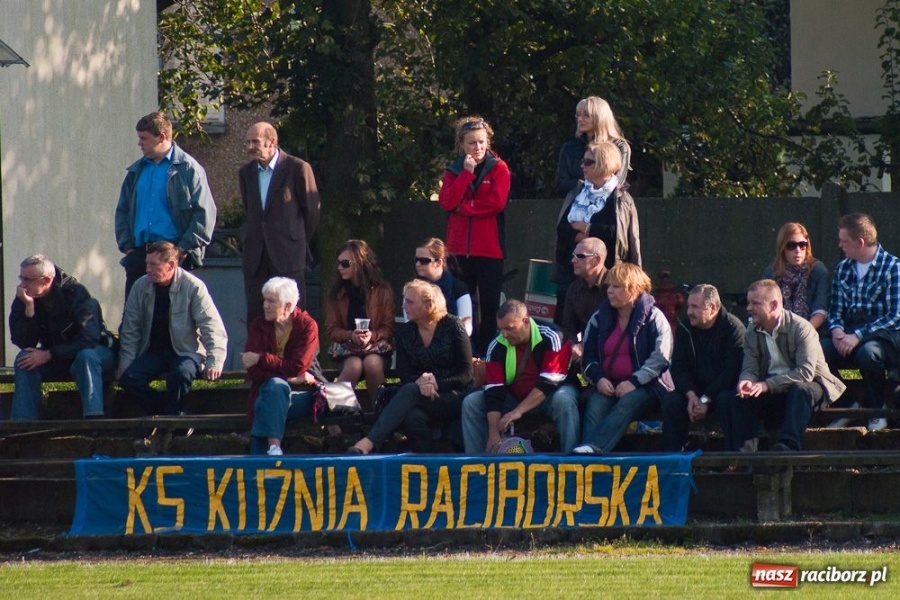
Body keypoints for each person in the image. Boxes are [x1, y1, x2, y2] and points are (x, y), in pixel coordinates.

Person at [718, 280, 846, 452]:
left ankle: (788, 447)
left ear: (774, 305)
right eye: (748, 302)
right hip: (774, 391)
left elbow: (805, 373)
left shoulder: (802, 328)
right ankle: (743, 457)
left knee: (800, 390)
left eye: (755, 303)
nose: (748, 308)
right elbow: (750, 368)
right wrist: (746, 381)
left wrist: (765, 385)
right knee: (730, 398)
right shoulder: (750, 332)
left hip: (812, 389)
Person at [349, 280, 473, 454]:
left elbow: (466, 374)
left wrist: (435, 383)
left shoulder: (453, 326)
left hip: (453, 395)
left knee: (410, 391)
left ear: (428, 305)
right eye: (404, 300)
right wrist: (422, 383)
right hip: (420, 394)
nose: (404, 306)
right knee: (412, 416)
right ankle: (428, 462)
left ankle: (368, 443)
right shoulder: (405, 333)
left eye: (410, 302)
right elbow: (404, 374)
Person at [118, 241, 228, 416]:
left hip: (186, 351)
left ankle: (170, 420)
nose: (147, 269)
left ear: (171, 265)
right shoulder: (140, 286)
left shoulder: (193, 286)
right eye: (147, 263)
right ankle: (171, 414)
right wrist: (125, 363)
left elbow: (211, 325)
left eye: (153, 264)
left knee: (181, 374)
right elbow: (131, 329)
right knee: (129, 380)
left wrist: (214, 360)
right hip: (154, 352)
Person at [115, 112, 217, 299]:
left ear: (161, 137)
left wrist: (181, 250)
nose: (140, 143)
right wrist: (127, 246)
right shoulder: (136, 171)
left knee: (172, 317)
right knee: (133, 319)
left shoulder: (188, 169)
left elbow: (205, 215)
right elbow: (123, 210)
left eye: (144, 138)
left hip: (173, 255)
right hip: (139, 255)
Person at [574, 264, 672, 454]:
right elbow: (588, 355)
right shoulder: (598, 318)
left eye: (616, 287)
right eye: (609, 286)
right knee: (595, 405)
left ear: (633, 288)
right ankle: (585, 460)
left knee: (627, 403)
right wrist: (599, 378)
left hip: (647, 386)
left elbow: (661, 356)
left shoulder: (654, 317)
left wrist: (634, 381)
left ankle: (592, 450)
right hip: (608, 384)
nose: (609, 291)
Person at [461, 300, 580, 453]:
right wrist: (493, 435)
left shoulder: (552, 336)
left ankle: (571, 460)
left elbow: (550, 382)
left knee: (564, 399)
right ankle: (476, 463)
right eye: (501, 329)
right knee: (472, 402)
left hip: (549, 397)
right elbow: (494, 391)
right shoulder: (496, 345)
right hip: (514, 398)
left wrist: (518, 411)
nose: (504, 334)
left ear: (525, 321)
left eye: (509, 329)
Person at [9, 255, 116, 420]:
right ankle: (23, 424)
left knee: (85, 356)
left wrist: (49, 354)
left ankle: (94, 421)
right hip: (57, 357)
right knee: (24, 359)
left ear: (46, 280)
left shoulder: (76, 294)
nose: (22, 284)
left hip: (93, 353)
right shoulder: (25, 297)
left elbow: (88, 339)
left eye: (27, 279)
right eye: (21, 277)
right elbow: (22, 342)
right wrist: (29, 311)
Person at [438, 116, 511, 356]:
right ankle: (465, 355)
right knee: (462, 305)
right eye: (472, 143)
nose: (478, 148)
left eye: (482, 142)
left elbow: (496, 203)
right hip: (459, 250)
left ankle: (489, 357)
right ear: (462, 145)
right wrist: (466, 176)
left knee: (489, 306)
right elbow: (447, 201)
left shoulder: (499, 167)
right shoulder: (454, 170)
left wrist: (466, 208)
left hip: (489, 249)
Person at [823, 213, 900, 431]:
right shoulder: (843, 269)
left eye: (844, 241)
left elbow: (895, 315)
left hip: (881, 334)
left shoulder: (893, 267)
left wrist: (858, 336)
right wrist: (837, 330)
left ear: (860, 242)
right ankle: (847, 404)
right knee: (818, 351)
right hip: (847, 331)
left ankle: (876, 411)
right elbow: (835, 308)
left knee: (869, 354)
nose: (840, 245)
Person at [239, 122, 321, 324]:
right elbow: (251, 211)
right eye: (248, 142)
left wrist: (295, 240)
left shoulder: (297, 168)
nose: (250, 147)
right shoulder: (246, 173)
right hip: (256, 257)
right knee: (257, 316)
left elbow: (312, 212)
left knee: (291, 315)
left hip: (288, 255)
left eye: (255, 142)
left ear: (272, 142)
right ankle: (260, 356)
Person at [554, 141, 641, 324]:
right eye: (583, 161)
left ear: (603, 163)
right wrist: (585, 241)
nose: (582, 166)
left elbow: (615, 233)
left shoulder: (620, 198)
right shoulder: (578, 192)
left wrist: (585, 227)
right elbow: (562, 229)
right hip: (574, 274)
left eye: (588, 162)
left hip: (607, 274)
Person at [659, 284, 745, 452]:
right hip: (694, 393)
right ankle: (671, 458)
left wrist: (706, 398)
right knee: (672, 402)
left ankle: (736, 459)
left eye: (695, 307)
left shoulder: (734, 329)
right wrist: (691, 395)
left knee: (729, 400)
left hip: (722, 391)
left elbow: (731, 372)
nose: (689, 311)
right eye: (689, 306)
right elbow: (679, 367)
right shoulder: (685, 328)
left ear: (712, 308)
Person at [242, 277, 319, 456]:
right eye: (265, 300)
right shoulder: (259, 326)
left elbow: (298, 365)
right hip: (267, 392)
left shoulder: (307, 326)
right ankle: (274, 449)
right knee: (273, 392)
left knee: (268, 399)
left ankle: (259, 467)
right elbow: (252, 371)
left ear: (287, 305)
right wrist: (288, 377)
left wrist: (262, 359)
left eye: (271, 301)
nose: (265, 306)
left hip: (302, 395)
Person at [325, 240, 395, 408]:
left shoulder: (382, 291)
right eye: (338, 263)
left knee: (372, 364)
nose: (340, 267)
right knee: (354, 366)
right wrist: (350, 335)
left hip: (376, 348)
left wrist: (373, 335)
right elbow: (332, 329)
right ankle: (334, 417)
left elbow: (389, 327)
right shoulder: (336, 294)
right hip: (347, 349)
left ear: (360, 263)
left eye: (345, 263)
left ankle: (382, 418)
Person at [555, 96, 631, 197]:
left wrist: (585, 184)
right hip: (577, 207)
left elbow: (617, 184)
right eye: (578, 115)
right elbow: (561, 185)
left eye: (586, 115)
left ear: (600, 117)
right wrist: (590, 185)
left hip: (609, 207)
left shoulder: (619, 147)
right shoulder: (569, 148)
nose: (580, 119)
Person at [762, 222, 829, 331]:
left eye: (802, 245)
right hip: (778, 330)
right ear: (782, 247)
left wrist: (802, 333)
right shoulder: (772, 273)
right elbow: (765, 308)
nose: (797, 250)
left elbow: (821, 311)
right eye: (791, 245)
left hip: (811, 330)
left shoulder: (817, 270)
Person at [560, 237, 609, 363]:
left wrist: (584, 346)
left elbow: (616, 329)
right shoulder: (574, 289)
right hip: (584, 358)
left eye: (580, 256)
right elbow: (568, 328)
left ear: (596, 260)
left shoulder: (614, 287)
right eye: (573, 256)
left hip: (611, 356)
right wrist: (572, 346)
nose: (573, 260)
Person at [412, 237, 473, 336]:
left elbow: (467, 329)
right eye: (416, 260)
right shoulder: (412, 290)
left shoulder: (458, 288)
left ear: (439, 262)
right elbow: (408, 325)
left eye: (424, 260)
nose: (418, 264)